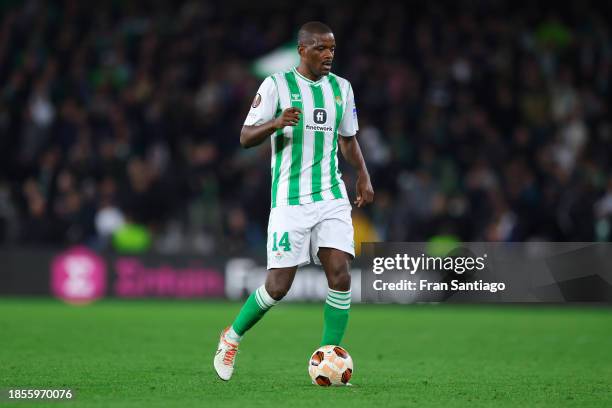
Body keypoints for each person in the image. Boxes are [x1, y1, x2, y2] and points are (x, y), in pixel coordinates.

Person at [214, 21, 374, 382]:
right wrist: (275, 123)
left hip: (332, 196)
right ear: (302, 50)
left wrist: (363, 174)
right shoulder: (276, 85)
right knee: (278, 287)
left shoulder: (342, 89)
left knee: (340, 273)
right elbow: (244, 137)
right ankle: (231, 337)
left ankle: (328, 357)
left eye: (332, 49)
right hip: (290, 200)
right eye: (321, 48)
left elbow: (348, 139)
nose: (329, 55)